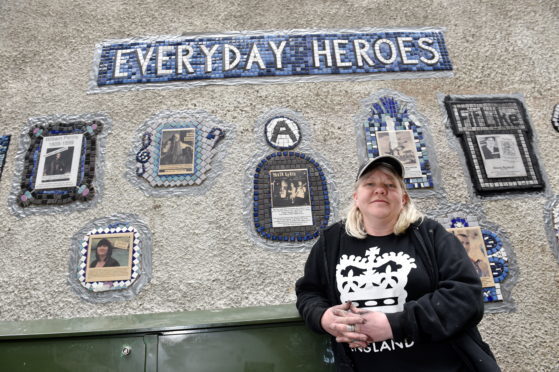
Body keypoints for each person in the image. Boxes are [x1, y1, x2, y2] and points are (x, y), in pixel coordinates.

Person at [296, 155, 499, 371]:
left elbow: (466, 296)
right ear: (356, 197)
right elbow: (309, 292)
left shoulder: (431, 235)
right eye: (370, 184)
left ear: (403, 198)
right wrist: (323, 317)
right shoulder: (332, 241)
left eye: (390, 185)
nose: (380, 190)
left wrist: (393, 325)